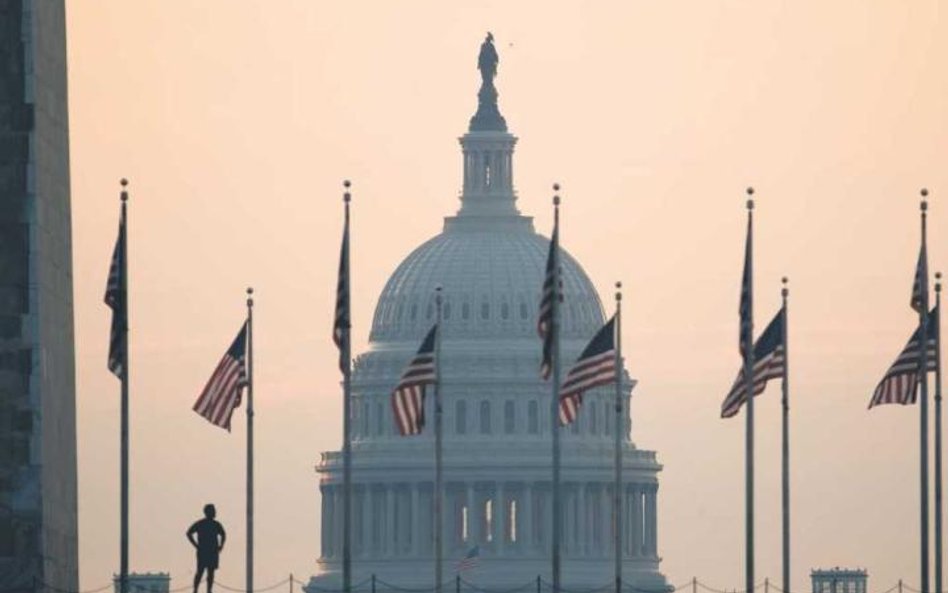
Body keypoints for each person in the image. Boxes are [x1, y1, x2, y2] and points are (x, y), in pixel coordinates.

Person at [187, 504, 226, 593]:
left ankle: (209, 590)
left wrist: (221, 545)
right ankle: (196, 590)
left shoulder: (216, 524)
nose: (215, 512)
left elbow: (223, 534)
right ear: (208, 512)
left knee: (211, 572)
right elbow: (189, 533)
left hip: (212, 551)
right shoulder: (201, 523)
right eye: (213, 511)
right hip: (203, 551)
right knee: (200, 571)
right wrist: (196, 545)